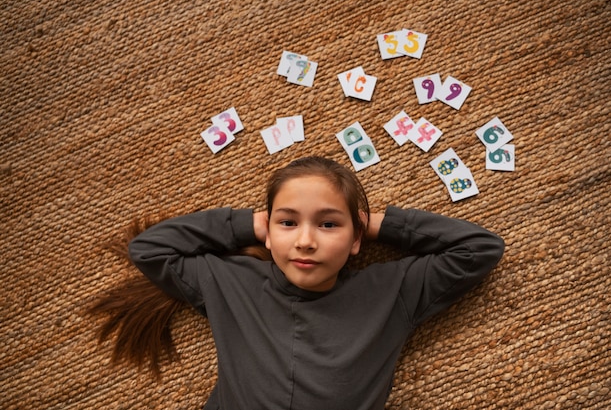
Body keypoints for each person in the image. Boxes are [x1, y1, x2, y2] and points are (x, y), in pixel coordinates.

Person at [91, 156, 504, 410]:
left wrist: (377, 225)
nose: (305, 241)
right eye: (288, 222)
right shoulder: (230, 282)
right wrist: (248, 224)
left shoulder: (391, 290)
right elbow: (149, 250)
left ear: (355, 238)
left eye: (328, 224)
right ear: (268, 231)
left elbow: (479, 249)